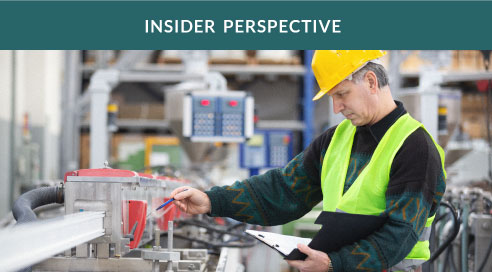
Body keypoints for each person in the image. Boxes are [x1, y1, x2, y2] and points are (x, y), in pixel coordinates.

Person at [170, 50, 446, 272]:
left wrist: (334, 263)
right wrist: (212, 201)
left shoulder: (415, 146)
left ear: (371, 82)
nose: (336, 108)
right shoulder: (337, 138)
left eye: (341, 94)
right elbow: (284, 190)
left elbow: (400, 232)